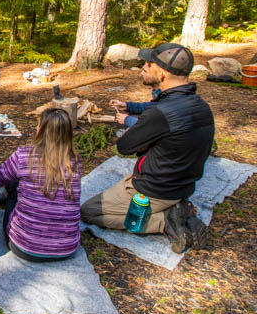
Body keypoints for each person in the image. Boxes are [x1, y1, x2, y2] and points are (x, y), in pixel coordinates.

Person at [80, 43, 215, 254]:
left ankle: (165, 221)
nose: (144, 67)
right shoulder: (200, 105)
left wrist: (137, 127)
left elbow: (124, 146)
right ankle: (176, 208)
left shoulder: (160, 114)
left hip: (153, 189)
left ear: (161, 73)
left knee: (89, 212)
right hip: (184, 186)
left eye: (148, 64)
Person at [0, 108, 82, 262]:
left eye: (38, 125)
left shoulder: (25, 155)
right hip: (67, 248)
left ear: (42, 131)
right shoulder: (74, 161)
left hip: (25, 246)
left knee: (14, 185)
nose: (36, 128)